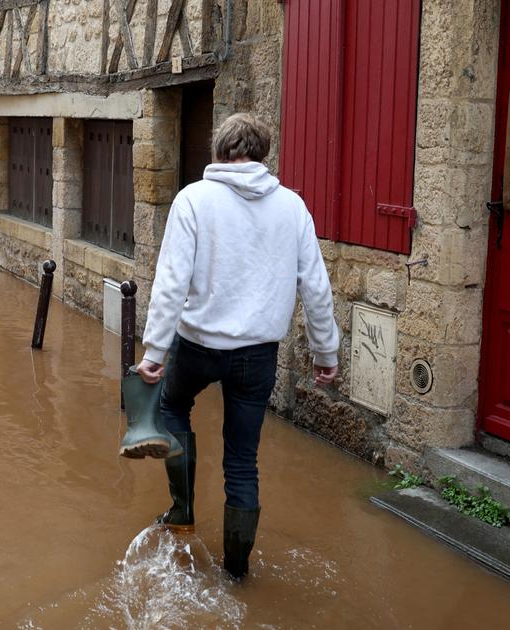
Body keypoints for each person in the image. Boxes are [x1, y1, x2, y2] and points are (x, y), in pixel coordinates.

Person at [135, 112, 340, 580]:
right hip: (257, 356)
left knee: (171, 408)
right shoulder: (292, 207)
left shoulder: (193, 200)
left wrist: (153, 352)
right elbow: (316, 287)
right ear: (262, 152)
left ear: (220, 151)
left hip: (197, 345)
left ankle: (182, 513)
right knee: (243, 461)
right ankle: (237, 573)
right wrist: (325, 354)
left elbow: (170, 283)